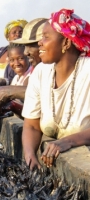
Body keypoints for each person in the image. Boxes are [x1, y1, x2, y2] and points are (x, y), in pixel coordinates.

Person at [22, 8, 90, 170]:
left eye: (45, 37)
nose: (40, 43)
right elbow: (31, 125)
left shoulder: (87, 72)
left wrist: (69, 141)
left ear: (66, 43)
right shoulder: (40, 72)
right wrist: (30, 155)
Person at [0, 18, 48, 116]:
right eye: (14, 32)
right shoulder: (37, 69)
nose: (26, 52)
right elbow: (32, 119)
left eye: (31, 45)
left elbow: (42, 94)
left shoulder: (35, 73)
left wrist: (6, 91)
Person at [0, 19, 28, 90]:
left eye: (20, 32)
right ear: (8, 36)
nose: (17, 34)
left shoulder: (26, 52)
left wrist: (5, 81)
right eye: (14, 32)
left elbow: (22, 74)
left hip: (12, 90)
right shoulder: (0, 52)